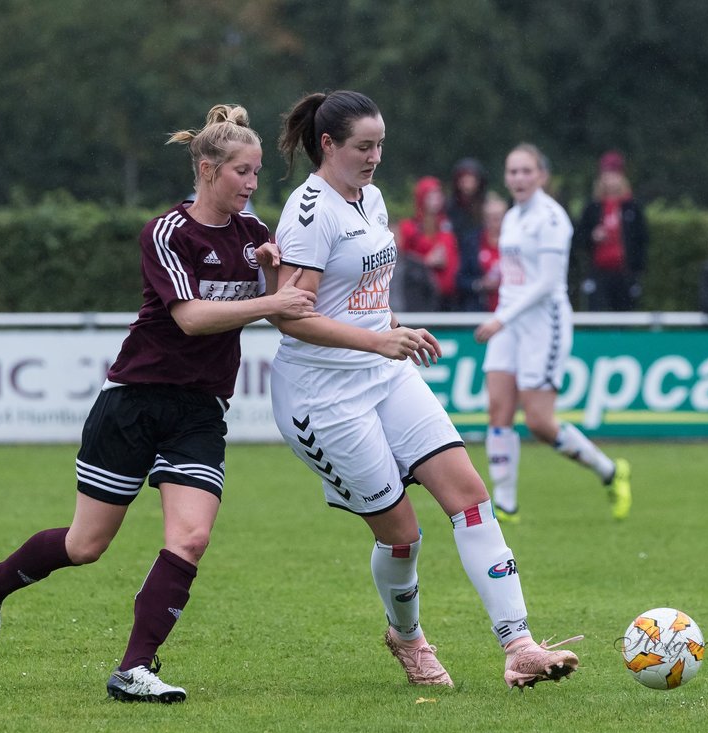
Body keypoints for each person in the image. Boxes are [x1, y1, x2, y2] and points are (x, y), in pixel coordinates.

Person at [0, 104, 317, 702]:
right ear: (207, 170)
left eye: (258, 174)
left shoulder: (258, 238)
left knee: (191, 539)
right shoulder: (166, 233)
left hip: (200, 411)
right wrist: (268, 303)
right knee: (86, 547)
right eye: (243, 173)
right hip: (133, 404)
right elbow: (191, 318)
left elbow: (289, 307)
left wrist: (272, 281)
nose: (253, 186)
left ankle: (135, 669)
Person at [271, 90, 580, 690]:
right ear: (328, 145)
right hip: (321, 396)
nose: (375, 157)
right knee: (403, 535)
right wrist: (377, 342)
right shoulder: (309, 212)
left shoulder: (373, 199)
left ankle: (519, 645)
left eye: (381, 145)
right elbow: (291, 316)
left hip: (381, 372)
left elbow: (362, 299)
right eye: (364, 146)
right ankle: (408, 638)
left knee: (469, 494)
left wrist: (392, 329)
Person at [474, 144, 631, 525]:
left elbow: (547, 283)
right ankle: (506, 507)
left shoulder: (552, 218)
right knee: (498, 409)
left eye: (526, 171)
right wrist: (503, 318)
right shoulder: (512, 217)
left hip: (543, 323)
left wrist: (501, 318)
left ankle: (609, 471)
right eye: (513, 172)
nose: (519, 178)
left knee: (541, 423)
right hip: (509, 322)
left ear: (542, 175)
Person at [577, 150, 648, 312]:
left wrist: (637, 272)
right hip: (598, 273)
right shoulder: (592, 207)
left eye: (614, 175)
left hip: (625, 273)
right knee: (596, 318)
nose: (610, 180)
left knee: (624, 319)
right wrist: (593, 236)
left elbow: (641, 239)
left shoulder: (632, 207)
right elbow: (579, 237)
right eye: (607, 175)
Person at [396, 176, 459, 311]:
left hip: (448, 299)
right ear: (422, 197)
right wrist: (426, 262)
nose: (437, 198)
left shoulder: (447, 227)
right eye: (431, 194)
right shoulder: (409, 228)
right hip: (420, 298)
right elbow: (401, 263)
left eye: (438, 193)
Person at [446, 157, 488, 310]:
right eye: (464, 178)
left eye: (471, 178)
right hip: (457, 257)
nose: (467, 182)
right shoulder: (450, 207)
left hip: (477, 255)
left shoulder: (485, 206)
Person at [473, 191, 507, 312]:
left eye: (498, 217)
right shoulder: (474, 243)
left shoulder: (515, 243)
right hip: (480, 312)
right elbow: (462, 279)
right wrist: (481, 284)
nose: (494, 221)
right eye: (490, 217)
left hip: (510, 310)